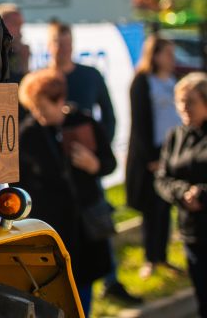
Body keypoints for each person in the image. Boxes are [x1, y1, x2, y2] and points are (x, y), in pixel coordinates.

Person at [46, 20, 140, 303]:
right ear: (50, 46)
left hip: (87, 169)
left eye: (67, 42)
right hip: (55, 174)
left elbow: (108, 115)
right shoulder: (42, 81)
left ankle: (110, 279)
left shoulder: (89, 75)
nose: (62, 48)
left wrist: (98, 154)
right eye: (57, 42)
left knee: (98, 223)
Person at [16, 69, 117, 316]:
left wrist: (94, 165)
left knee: (83, 289)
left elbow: (109, 162)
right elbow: (21, 181)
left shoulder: (83, 122)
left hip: (85, 225)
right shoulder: (28, 134)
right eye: (33, 107)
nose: (38, 113)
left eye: (42, 107)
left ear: (59, 100)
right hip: (52, 228)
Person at [127, 34, 183, 279]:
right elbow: (140, 122)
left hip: (172, 152)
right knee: (152, 208)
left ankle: (163, 256)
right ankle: (150, 258)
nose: (172, 59)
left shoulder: (173, 80)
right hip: (151, 155)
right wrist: (151, 157)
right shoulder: (142, 81)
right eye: (168, 53)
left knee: (166, 206)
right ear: (155, 55)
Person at [155, 72, 207, 317]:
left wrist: (202, 194)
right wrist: (183, 192)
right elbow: (162, 179)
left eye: (191, 102)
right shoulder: (175, 136)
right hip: (192, 231)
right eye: (180, 102)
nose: (184, 108)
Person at [0, 3, 30, 83]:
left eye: (21, 25)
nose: (20, 31)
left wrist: (25, 62)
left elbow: (24, 84)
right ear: (1, 25)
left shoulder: (17, 51)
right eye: (15, 24)